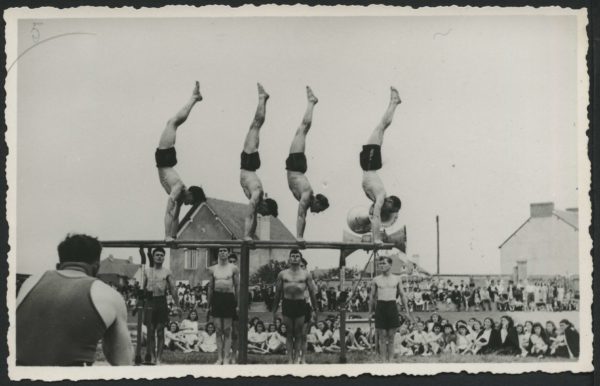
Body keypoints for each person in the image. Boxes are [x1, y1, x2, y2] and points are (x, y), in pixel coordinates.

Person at [16, 233, 132, 366]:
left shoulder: (30, 283)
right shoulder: (109, 294)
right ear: (96, 267)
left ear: (58, 265)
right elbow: (123, 362)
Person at [155, 81, 206, 241]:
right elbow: (169, 211)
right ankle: (194, 98)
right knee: (172, 123)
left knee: (172, 123)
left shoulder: (180, 197)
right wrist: (166, 236)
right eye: (191, 202)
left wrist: (174, 236)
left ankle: (194, 98)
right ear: (190, 194)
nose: (188, 204)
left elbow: (176, 217)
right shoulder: (178, 189)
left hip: (166, 161)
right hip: (165, 158)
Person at [355, 87, 403, 244]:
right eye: (389, 209)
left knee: (381, 128)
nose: (386, 211)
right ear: (390, 202)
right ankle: (394, 103)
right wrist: (376, 239)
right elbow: (375, 217)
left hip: (369, 166)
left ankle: (394, 103)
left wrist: (376, 238)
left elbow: (375, 217)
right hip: (370, 165)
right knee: (381, 126)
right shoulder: (381, 197)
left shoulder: (379, 199)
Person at [286, 86, 330, 243]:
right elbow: (301, 215)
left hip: (296, 166)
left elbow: (303, 215)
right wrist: (299, 237)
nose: (316, 212)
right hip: (295, 166)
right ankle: (311, 103)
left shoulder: (307, 195)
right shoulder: (306, 195)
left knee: (301, 130)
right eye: (319, 209)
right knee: (303, 129)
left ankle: (311, 103)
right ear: (317, 202)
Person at [240, 83, 278, 241]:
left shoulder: (257, 199)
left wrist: (251, 237)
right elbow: (249, 214)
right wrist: (246, 236)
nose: (263, 214)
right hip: (248, 164)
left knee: (255, 126)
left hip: (249, 165)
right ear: (266, 204)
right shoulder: (257, 194)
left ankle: (263, 99)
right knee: (255, 125)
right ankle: (262, 99)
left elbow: (253, 217)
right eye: (265, 212)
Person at [272, 249, 319, 364]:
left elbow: (312, 293)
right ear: (289, 258)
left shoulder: (306, 274)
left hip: (300, 303)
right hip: (287, 303)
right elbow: (278, 293)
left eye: (297, 256)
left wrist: (315, 308)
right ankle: (289, 359)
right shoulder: (282, 274)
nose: (294, 258)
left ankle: (297, 359)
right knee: (289, 333)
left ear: (300, 258)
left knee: (298, 333)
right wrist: (274, 310)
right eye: (292, 256)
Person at [369, 255, 411, 362]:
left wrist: (407, 311)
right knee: (382, 337)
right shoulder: (376, 279)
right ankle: (383, 361)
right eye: (380, 264)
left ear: (390, 265)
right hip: (381, 307)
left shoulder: (397, 279)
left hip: (392, 307)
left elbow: (402, 295)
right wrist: (370, 312)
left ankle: (391, 361)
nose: (381, 265)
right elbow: (372, 297)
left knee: (391, 337)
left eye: (384, 263)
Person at [143, 247, 181, 364]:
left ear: (164, 258)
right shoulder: (147, 271)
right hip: (150, 301)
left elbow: (173, 289)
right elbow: (142, 288)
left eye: (161, 255)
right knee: (151, 331)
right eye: (157, 255)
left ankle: (159, 358)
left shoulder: (167, 272)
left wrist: (178, 305)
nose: (159, 257)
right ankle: (153, 357)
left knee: (160, 331)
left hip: (161, 301)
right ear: (153, 257)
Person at [208, 247, 239, 365]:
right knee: (218, 330)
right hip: (217, 298)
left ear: (228, 253)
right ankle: (219, 358)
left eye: (225, 250)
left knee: (227, 330)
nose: (222, 252)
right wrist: (208, 304)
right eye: (220, 250)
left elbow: (237, 286)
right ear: (218, 253)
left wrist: (237, 304)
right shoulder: (212, 269)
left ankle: (226, 358)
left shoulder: (233, 268)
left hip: (228, 298)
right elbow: (210, 287)